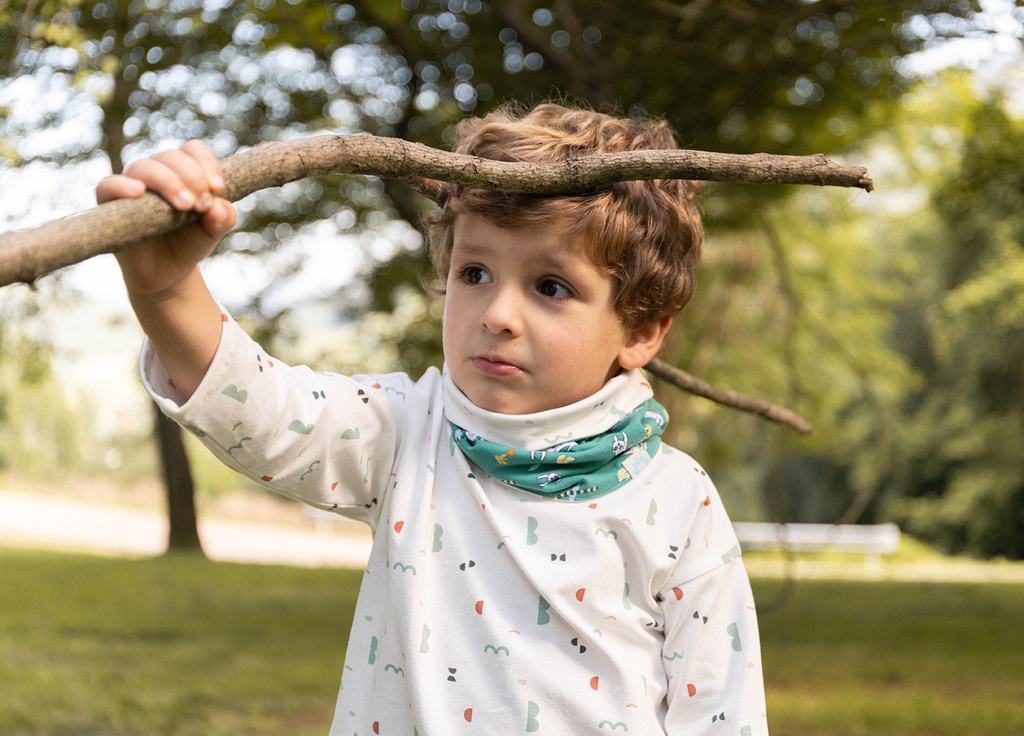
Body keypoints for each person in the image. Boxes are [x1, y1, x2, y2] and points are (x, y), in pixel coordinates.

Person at [98, 102, 769, 735]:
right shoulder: (407, 434)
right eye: (475, 272)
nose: (498, 315)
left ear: (643, 329)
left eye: (551, 287)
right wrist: (166, 288)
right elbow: (264, 412)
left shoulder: (680, 503)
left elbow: (722, 714)